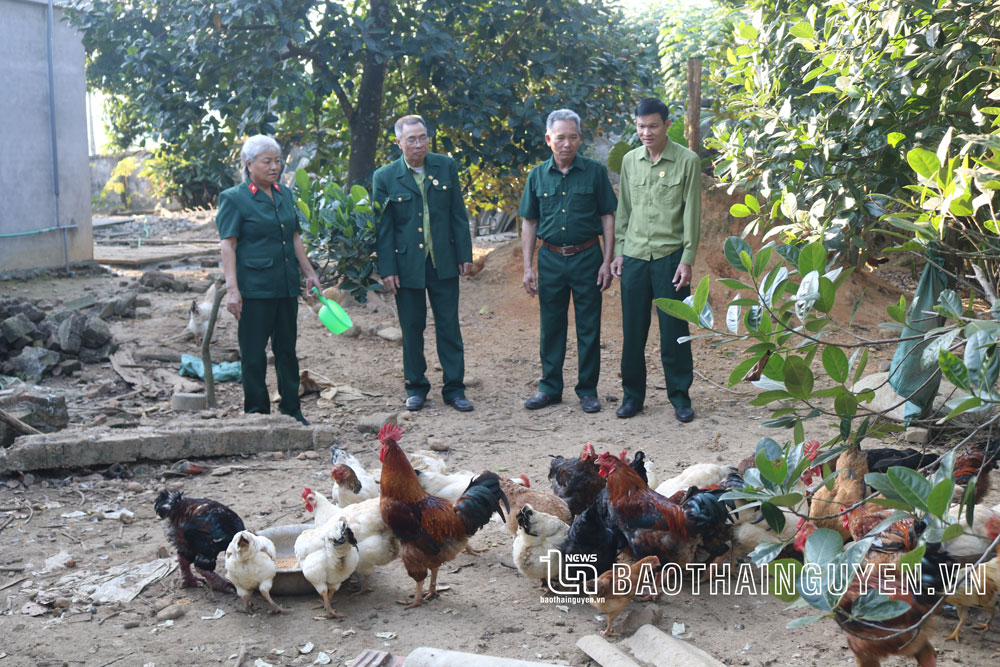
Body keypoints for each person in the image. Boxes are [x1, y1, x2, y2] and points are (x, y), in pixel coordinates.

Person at [373, 115, 475, 412]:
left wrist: (464, 254)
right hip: (407, 266)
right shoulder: (385, 176)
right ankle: (416, 387)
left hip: (443, 260)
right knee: (412, 327)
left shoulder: (446, 166)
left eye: (423, 138)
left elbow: (458, 211)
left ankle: (455, 389)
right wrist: (387, 268)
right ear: (399, 142)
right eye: (412, 139)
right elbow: (384, 228)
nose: (419, 144)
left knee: (449, 326)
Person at [518, 109, 617, 413]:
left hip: (588, 257)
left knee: (589, 327)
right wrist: (527, 266)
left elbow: (607, 217)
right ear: (549, 139)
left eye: (573, 137)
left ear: (579, 139)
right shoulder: (536, 175)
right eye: (560, 137)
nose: (567, 143)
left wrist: (607, 260)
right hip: (550, 259)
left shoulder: (595, 172)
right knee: (551, 326)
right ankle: (550, 388)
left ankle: (587, 390)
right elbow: (529, 223)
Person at [217, 135, 319, 425]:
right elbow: (228, 245)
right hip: (254, 289)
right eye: (267, 161)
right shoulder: (234, 198)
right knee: (253, 354)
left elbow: (294, 236)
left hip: (285, 286)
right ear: (249, 164)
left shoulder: (284, 194)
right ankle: (257, 413)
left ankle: (291, 409)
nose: (275, 166)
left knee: (286, 350)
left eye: (277, 161)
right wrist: (233, 290)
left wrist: (309, 272)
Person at [611, 98, 701, 422]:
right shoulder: (630, 161)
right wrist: (620, 250)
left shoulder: (687, 161)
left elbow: (692, 213)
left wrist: (687, 259)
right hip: (635, 257)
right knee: (633, 332)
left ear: (665, 125)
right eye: (640, 126)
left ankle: (680, 398)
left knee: (674, 331)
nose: (646, 132)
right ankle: (632, 398)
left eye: (652, 126)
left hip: (670, 257)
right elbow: (625, 210)